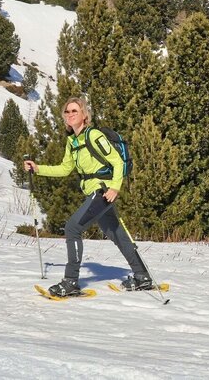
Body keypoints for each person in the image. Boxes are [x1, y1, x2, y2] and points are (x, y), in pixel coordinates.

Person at [24, 97, 153, 297]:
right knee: (117, 234)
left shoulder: (93, 135)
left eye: (75, 111)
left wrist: (115, 188)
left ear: (84, 115)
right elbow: (65, 169)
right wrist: (38, 168)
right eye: (67, 112)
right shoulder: (72, 141)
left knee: (73, 227)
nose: (70, 115)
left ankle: (71, 281)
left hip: (102, 191)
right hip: (94, 192)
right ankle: (142, 276)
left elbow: (117, 162)